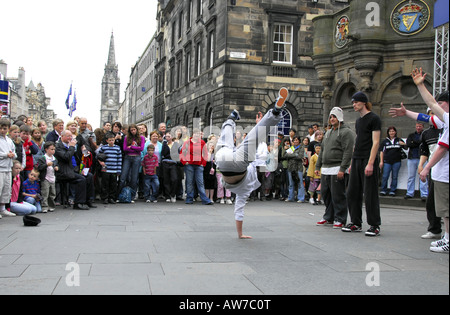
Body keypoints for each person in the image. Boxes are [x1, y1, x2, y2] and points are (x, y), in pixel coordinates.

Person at [215, 87, 288, 239]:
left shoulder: (246, 190)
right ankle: (231, 119)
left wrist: (260, 127)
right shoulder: (242, 193)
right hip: (223, 163)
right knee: (226, 140)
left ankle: (274, 112)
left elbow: (257, 144)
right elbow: (238, 211)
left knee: (252, 138)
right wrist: (240, 234)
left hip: (239, 164)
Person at [390, 67, 449, 253]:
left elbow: (441, 148)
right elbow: (426, 116)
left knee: (446, 209)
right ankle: (446, 236)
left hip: (445, 173)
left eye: (441, 104)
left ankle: (448, 239)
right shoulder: (444, 121)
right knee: (443, 209)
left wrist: (426, 167)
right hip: (442, 173)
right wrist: (406, 113)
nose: (436, 107)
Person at [342, 91, 382, 237]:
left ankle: (374, 225)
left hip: (368, 158)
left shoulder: (374, 118)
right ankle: (356, 222)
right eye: (353, 102)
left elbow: (376, 142)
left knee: (370, 193)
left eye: (356, 102)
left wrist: (371, 163)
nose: (354, 104)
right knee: (352, 192)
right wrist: (352, 161)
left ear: (363, 103)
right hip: (357, 159)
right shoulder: (359, 121)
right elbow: (358, 142)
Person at [316, 107, 355, 229]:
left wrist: (343, 169)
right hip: (326, 168)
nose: (332, 119)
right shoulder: (328, 133)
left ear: (340, 118)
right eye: (331, 117)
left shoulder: (346, 132)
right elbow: (322, 151)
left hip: (337, 167)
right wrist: (318, 165)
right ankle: (329, 216)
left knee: (338, 195)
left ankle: (340, 218)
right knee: (325, 193)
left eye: (334, 117)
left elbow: (348, 152)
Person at [55, 130, 96, 210]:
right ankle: (78, 203)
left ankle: (88, 200)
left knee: (89, 176)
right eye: (68, 136)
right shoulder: (58, 146)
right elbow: (66, 157)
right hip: (64, 171)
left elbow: (77, 158)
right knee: (81, 179)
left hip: (74, 169)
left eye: (71, 136)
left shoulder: (70, 145)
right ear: (62, 136)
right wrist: (72, 147)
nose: (70, 138)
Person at [180, 129, 213, 205]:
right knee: (189, 182)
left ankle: (204, 199)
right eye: (195, 134)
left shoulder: (202, 143)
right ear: (192, 134)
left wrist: (203, 163)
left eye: (198, 134)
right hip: (189, 165)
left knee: (200, 183)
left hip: (199, 165)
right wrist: (185, 162)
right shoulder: (187, 142)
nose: (197, 135)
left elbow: (205, 154)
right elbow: (182, 153)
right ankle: (189, 198)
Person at [379, 126, 406, 196]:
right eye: (390, 131)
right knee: (385, 176)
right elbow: (381, 151)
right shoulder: (385, 141)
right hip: (387, 161)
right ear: (388, 132)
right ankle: (383, 190)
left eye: (393, 131)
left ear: (395, 132)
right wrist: (381, 161)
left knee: (394, 176)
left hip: (397, 161)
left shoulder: (399, 140)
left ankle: (392, 190)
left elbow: (406, 148)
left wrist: (404, 144)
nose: (391, 133)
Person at [119, 124, 146, 195]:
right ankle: (119, 194)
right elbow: (125, 149)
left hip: (136, 157)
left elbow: (141, 148)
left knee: (134, 178)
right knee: (123, 177)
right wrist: (135, 148)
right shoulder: (126, 137)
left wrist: (131, 147)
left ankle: (132, 195)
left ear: (136, 130)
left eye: (134, 130)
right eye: (131, 130)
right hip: (128, 157)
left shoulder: (141, 138)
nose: (133, 131)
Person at [405, 122, 428, 200]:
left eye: (420, 126)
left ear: (423, 127)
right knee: (411, 176)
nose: (418, 127)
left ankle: (424, 194)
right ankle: (409, 193)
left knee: (423, 176)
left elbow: (425, 144)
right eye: (417, 126)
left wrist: (414, 142)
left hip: (422, 158)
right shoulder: (411, 135)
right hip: (412, 158)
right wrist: (418, 143)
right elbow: (408, 144)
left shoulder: (425, 134)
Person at [98, 133, 122, 204]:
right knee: (105, 184)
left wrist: (118, 170)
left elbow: (119, 159)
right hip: (106, 168)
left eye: (113, 140)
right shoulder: (104, 148)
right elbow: (99, 156)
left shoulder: (117, 148)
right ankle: (105, 197)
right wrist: (101, 162)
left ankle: (112, 197)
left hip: (114, 169)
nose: (111, 142)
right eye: (110, 140)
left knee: (113, 184)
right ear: (107, 141)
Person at [0, 118, 17, 218]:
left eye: (5, 128)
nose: (3, 130)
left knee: (6, 189)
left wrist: (12, 155)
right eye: (1, 128)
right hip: (1, 167)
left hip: (8, 167)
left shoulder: (9, 140)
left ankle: (2, 208)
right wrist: (6, 155)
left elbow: (14, 152)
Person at [37, 141, 59, 213]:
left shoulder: (54, 159)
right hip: (45, 178)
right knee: (45, 192)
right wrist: (46, 165)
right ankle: (44, 206)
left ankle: (51, 205)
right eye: (51, 149)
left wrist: (56, 167)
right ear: (46, 149)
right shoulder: (43, 158)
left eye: (54, 149)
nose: (53, 151)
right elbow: (39, 167)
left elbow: (57, 165)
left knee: (52, 193)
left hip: (52, 177)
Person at [284, 136, 306, 203]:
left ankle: (301, 198)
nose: (295, 141)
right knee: (291, 183)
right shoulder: (292, 147)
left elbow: (300, 156)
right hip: (290, 167)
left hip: (298, 167)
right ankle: (291, 197)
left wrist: (292, 155)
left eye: (297, 140)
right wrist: (295, 155)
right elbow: (286, 155)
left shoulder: (301, 148)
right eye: (294, 140)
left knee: (300, 183)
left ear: (299, 141)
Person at [161, 131, 178, 203]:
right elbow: (163, 153)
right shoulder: (164, 144)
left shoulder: (176, 144)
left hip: (173, 163)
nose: (168, 137)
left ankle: (173, 194)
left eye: (169, 136)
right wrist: (165, 143)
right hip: (166, 162)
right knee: (166, 179)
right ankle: (167, 195)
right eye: (166, 136)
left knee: (174, 179)